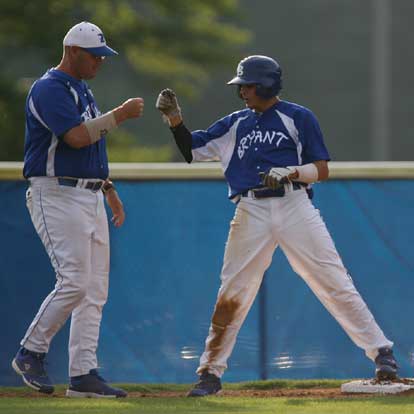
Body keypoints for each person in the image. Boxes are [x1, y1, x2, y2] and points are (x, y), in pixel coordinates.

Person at [156, 55, 398, 397]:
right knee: (232, 291)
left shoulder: (297, 117)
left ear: (267, 84)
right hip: (250, 209)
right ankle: (210, 372)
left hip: (294, 204)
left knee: (333, 279)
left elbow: (322, 169)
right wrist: (174, 119)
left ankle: (382, 353)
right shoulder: (235, 123)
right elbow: (192, 150)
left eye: (249, 86)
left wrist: (292, 171)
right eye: (241, 86)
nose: (243, 92)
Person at [12, 21, 144, 398]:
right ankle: (30, 351)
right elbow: (75, 137)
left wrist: (108, 187)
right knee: (74, 280)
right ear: (72, 51)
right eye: (94, 55)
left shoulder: (81, 89)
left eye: (102, 56)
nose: (99, 63)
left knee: (95, 289)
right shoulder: (49, 88)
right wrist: (118, 115)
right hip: (55, 193)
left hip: (87, 193)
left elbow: (90, 149)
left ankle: (83, 374)